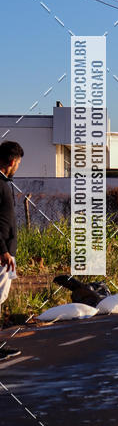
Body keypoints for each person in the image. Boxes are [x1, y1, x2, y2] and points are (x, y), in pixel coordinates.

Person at [0, 141, 24, 360]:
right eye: (17, 163)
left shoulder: (4, 183)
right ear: (11, 161)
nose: (17, 167)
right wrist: (4, 250)